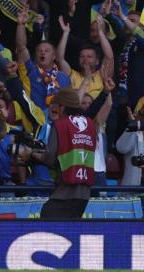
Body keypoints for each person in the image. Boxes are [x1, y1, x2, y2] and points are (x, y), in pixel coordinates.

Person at [31, 87, 96, 218]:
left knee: (48, 220)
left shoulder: (60, 124)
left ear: (63, 106)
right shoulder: (90, 124)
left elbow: (49, 159)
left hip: (65, 192)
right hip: (84, 193)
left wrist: (31, 153)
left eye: (57, 106)